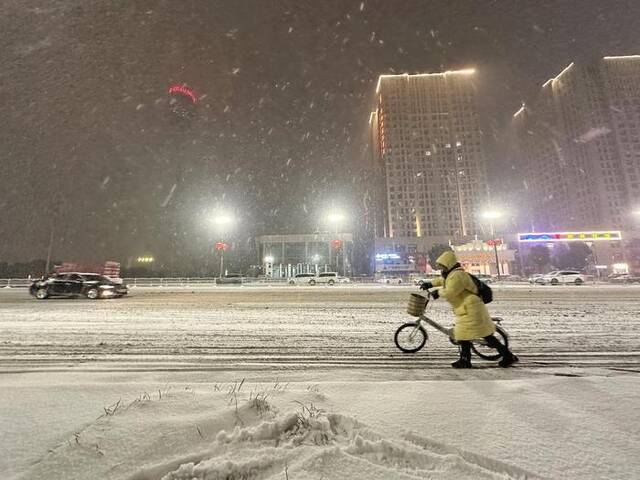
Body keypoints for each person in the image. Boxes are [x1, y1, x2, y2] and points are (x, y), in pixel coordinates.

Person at [421, 250, 518, 369]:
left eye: (442, 265)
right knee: (472, 335)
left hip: (471, 308)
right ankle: (470, 359)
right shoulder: (452, 274)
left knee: (467, 334)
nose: (441, 268)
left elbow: (451, 291)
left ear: (448, 264)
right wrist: (430, 284)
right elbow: (442, 280)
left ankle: (468, 360)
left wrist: (438, 292)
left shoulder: (457, 275)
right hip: (467, 307)